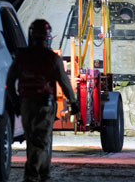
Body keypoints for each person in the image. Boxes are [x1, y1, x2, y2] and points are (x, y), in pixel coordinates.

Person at [6, 19, 80, 182]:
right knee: (42, 140)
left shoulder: (21, 57)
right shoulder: (52, 58)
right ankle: (33, 175)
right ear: (47, 37)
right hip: (44, 105)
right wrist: (74, 103)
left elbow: (10, 82)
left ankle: (43, 174)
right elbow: (64, 83)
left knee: (33, 140)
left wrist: (15, 102)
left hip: (25, 104)